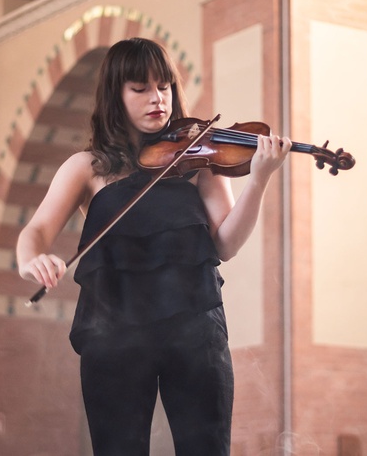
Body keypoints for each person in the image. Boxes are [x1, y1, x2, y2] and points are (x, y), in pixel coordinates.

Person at [16, 37, 291, 455]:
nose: (157, 98)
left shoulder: (198, 159)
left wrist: (259, 179)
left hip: (195, 325)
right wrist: (33, 259)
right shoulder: (88, 167)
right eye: (140, 88)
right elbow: (34, 231)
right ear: (115, 94)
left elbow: (226, 243)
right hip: (114, 331)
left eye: (163, 86)